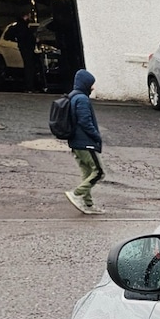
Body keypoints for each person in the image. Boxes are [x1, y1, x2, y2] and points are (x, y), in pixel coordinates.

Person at [65, 69, 104, 215]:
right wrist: (96, 136)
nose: (92, 87)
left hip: (76, 143)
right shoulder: (82, 99)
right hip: (85, 142)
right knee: (99, 172)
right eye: (91, 84)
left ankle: (88, 204)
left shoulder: (72, 96)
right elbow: (85, 121)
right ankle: (76, 194)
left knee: (87, 172)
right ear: (84, 84)